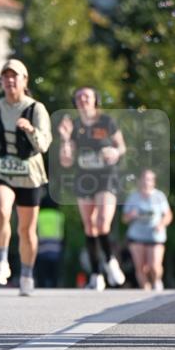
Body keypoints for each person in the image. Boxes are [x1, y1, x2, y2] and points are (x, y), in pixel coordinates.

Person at [0, 58, 52, 296]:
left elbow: (45, 144)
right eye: (5, 76)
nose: (9, 80)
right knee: (2, 211)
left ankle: (26, 273)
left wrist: (30, 129)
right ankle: (1, 262)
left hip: (28, 172)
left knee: (27, 230)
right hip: (0, 169)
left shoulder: (36, 109)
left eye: (14, 76)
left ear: (24, 80)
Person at [58, 86, 126, 290]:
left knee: (102, 220)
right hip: (85, 178)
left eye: (86, 96)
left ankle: (111, 262)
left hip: (106, 177)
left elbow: (121, 146)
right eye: (78, 97)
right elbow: (66, 161)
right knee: (89, 225)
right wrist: (65, 139)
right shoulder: (74, 125)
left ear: (95, 99)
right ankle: (96, 275)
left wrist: (115, 152)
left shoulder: (107, 122)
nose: (82, 100)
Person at [122, 169, 173, 291]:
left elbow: (168, 215)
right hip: (136, 236)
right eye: (144, 179)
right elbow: (124, 219)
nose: (146, 182)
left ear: (153, 182)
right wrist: (131, 215)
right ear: (140, 181)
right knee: (140, 268)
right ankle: (145, 292)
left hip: (154, 235)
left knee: (154, 266)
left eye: (149, 179)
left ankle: (157, 281)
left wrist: (161, 224)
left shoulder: (159, 196)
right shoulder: (133, 197)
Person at [35, 194, 64, 288]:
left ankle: (41, 286)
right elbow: (62, 232)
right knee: (54, 272)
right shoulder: (59, 216)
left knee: (41, 271)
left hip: (41, 247)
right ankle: (54, 286)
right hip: (55, 248)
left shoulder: (39, 215)